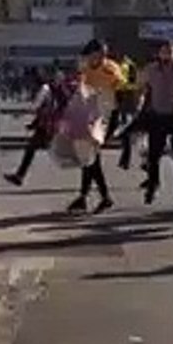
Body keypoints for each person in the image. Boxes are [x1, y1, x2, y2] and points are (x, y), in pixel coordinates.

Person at [68, 40, 125, 214]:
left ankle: (99, 196)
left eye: (101, 53)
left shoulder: (110, 69)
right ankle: (88, 197)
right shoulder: (86, 69)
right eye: (95, 54)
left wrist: (116, 122)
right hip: (89, 116)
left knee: (91, 157)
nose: (98, 57)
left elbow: (121, 94)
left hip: (105, 118)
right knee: (89, 158)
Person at [137, 39, 173, 214]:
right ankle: (153, 184)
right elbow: (144, 90)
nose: (167, 54)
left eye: (170, 51)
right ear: (158, 53)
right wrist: (141, 108)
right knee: (153, 156)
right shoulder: (151, 70)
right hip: (158, 115)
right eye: (163, 51)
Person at [5, 67, 73, 187]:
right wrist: (34, 124)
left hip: (48, 125)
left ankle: (20, 176)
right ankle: (19, 175)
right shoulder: (55, 89)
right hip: (52, 125)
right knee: (34, 148)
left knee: (33, 149)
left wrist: (19, 114)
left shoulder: (44, 89)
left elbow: (36, 106)